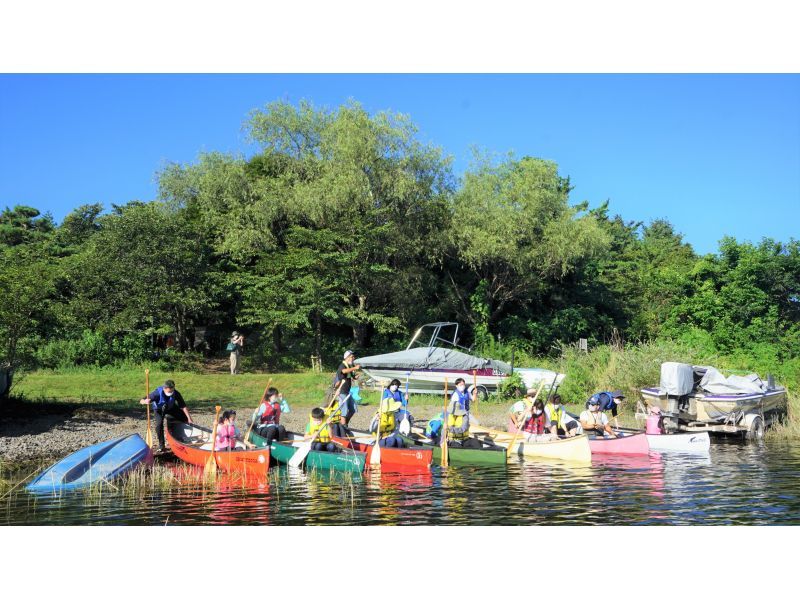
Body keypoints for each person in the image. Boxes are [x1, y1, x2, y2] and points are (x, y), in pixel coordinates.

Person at [140, 379, 193, 453]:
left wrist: (189, 418)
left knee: (183, 417)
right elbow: (141, 400)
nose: (170, 393)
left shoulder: (176, 393)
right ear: (164, 388)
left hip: (171, 408)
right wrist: (145, 401)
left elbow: (183, 406)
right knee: (159, 425)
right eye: (169, 392)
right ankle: (162, 446)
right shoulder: (156, 394)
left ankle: (174, 427)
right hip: (159, 410)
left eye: (172, 391)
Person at [335, 350, 360, 426]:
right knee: (344, 410)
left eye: (353, 357)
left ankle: (345, 424)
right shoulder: (342, 365)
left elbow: (352, 376)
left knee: (353, 409)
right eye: (352, 357)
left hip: (348, 391)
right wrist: (355, 368)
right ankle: (343, 427)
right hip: (341, 391)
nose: (353, 358)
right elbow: (344, 371)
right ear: (347, 358)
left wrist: (356, 377)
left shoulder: (350, 366)